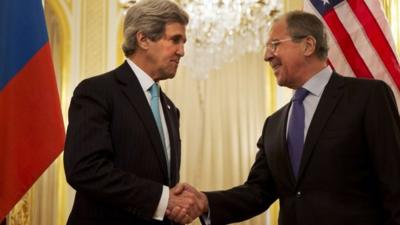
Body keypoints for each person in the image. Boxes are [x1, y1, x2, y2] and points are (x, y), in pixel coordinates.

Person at [169, 10, 400, 225]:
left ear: (308, 45)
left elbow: (395, 183)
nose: (267, 56)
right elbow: (258, 191)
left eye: (274, 45)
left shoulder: (368, 97)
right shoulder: (274, 124)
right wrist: (204, 202)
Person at [63, 1, 204, 224]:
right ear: (143, 39)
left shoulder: (170, 109)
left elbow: (163, 186)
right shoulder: (96, 91)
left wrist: (174, 207)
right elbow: (84, 169)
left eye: (183, 42)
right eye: (175, 40)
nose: (182, 51)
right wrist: (163, 199)